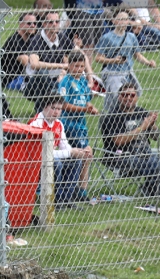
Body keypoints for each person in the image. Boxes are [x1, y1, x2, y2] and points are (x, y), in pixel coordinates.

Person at [100, 82, 160, 215]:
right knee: (156, 164)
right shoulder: (112, 117)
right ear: (119, 97)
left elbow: (155, 137)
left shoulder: (141, 112)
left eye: (132, 95)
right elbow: (118, 141)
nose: (128, 98)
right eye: (124, 95)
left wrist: (153, 125)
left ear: (136, 97)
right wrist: (142, 128)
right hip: (121, 157)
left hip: (145, 155)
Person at [30, 96, 92, 205]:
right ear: (44, 107)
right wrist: (70, 152)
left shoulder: (58, 124)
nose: (56, 112)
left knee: (76, 161)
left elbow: (65, 146)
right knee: (57, 163)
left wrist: (77, 151)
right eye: (53, 108)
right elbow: (43, 153)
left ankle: (67, 199)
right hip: (35, 160)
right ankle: (56, 200)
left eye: (59, 109)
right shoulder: (36, 124)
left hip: (51, 157)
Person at [57, 52, 97, 197]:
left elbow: (86, 100)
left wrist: (90, 107)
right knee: (84, 153)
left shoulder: (83, 82)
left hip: (81, 124)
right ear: (69, 66)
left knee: (86, 154)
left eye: (82, 66)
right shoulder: (66, 82)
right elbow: (64, 105)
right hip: (69, 124)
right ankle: (77, 190)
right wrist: (84, 109)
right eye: (76, 66)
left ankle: (79, 189)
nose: (79, 69)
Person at [95, 9, 158, 98]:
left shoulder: (131, 37)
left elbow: (137, 55)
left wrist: (148, 63)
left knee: (135, 94)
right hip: (113, 72)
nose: (124, 22)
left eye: (126, 19)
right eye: (121, 19)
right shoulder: (106, 38)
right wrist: (113, 60)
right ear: (114, 21)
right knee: (117, 97)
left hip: (128, 72)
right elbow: (98, 58)